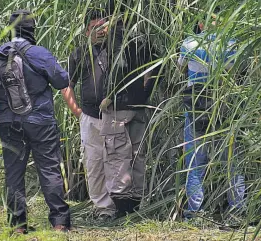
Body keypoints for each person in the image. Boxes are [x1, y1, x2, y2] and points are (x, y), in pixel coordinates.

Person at [0, 10, 71, 233]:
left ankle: (18, 226)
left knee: (13, 173)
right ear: (32, 30)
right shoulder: (40, 53)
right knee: (49, 169)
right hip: (40, 121)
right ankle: (59, 223)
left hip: (9, 122)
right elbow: (62, 80)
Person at [178, 14, 245, 221]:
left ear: (200, 24)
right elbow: (234, 71)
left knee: (195, 162)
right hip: (224, 107)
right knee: (231, 162)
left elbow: (180, 68)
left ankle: (194, 213)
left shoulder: (189, 43)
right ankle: (237, 210)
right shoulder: (231, 44)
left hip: (196, 108)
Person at [98, 4, 158, 217]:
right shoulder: (141, 36)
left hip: (119, 108)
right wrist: (144, 94)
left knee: (117, 156)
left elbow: (119, 66)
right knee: (136, 155)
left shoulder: (116, 37)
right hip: (138, 106)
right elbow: (157, 65)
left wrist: (110, 96)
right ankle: (135, 207)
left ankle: (122, 210)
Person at [61, 9, 116, 221]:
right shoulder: (79, 53)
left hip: (115, 116)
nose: (100, 32)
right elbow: (67, 85)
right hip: (90, 117)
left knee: (115, 161)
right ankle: (102, 208)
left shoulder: (116, 51)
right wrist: (77, 112)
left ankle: (117, 205)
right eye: (95, 28)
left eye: (104, 27)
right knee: (93, 162)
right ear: (86, 31)